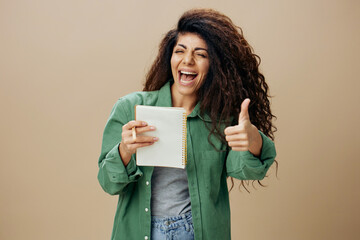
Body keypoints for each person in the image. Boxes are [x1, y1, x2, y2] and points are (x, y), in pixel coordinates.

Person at [98, 8, 276, 240]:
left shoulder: (222, 119)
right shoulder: (130, 108)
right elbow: (108, 183)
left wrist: (253, 139)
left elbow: (244, 170)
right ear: (169, 57)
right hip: (142, 232)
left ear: (214, 65)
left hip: (196, 231)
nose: (188, 60)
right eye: (180, 51)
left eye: (201, 54)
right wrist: (124, 151)